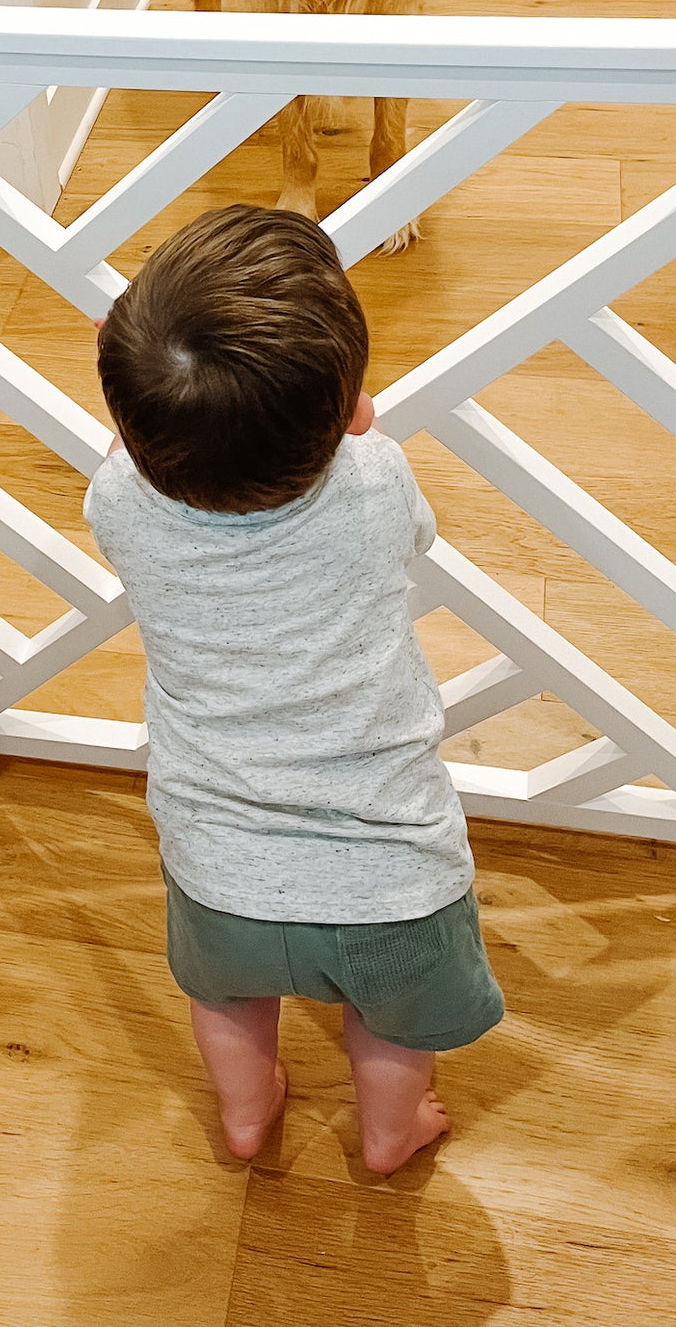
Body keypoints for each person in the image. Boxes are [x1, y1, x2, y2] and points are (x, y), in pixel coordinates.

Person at [84, 202, 503, 1173]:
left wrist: (135, 394)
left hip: (216, 853)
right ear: (346, 407)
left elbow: (129, 461)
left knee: (227, 1004)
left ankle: (244, 1113)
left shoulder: (117, 503)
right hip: (389, 867)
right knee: (390, 1027)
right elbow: (411, 530)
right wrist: (360, 429)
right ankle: (391, 1132)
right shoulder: (373, 484)